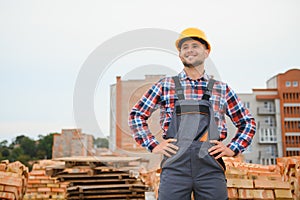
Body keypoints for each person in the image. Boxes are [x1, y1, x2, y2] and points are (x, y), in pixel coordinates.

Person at [128, 27, 256, 200]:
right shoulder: (166, 85)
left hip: (210, 168)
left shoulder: (221, 88)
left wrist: (232, 149)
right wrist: (153, 145)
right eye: (185, 47)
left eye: (195, 45)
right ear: (180, 55)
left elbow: (247, 123)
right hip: (175, 169)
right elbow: (137, 114)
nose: (189, 50)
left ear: (206, 51)